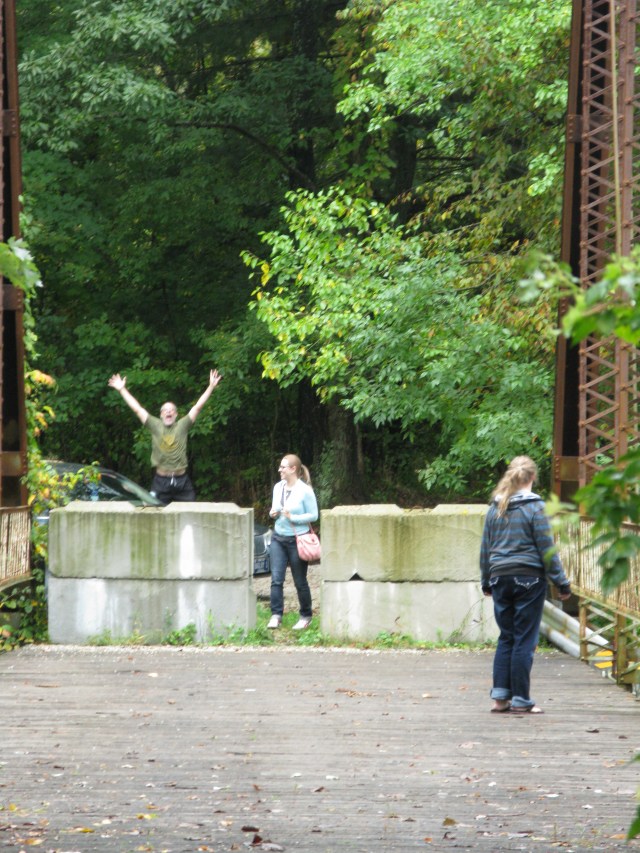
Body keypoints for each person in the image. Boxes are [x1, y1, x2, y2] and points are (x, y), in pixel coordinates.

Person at [480, 455, 571, 715]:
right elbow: (546, 549)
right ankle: (521, 699)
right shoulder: (535, 507)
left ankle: (500, 699)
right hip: (529, 579)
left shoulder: (495, 508)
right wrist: (561, 583)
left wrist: (486, 580)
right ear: (532, 478)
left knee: (506, 637)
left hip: (500, 577)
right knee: (524, 639)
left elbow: (486, 549)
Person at [107, 370, 221, 505]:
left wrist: (211, 387)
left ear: (176, 415)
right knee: (153, 513)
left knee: (190, 514)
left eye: (171, 410)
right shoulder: (154, 425)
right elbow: (137, 409)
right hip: (161, 482)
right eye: (165, 410)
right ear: (161, 415)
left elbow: (197, 407)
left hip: (182, 481)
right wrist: (122, 389)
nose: (168, 411)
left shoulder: (182, 425)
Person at [268, 453, 319, 631]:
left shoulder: (305, 490)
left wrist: (294, 517)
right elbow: (274, 508)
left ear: (293, 469)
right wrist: (272, 513)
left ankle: (306, 616)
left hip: (298, 540)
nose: (279, 470)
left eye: (283, 467)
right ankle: (276, 615)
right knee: (276, 579)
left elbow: (314, 515)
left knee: (300, 581)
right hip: (278, 538)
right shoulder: (278, 487)